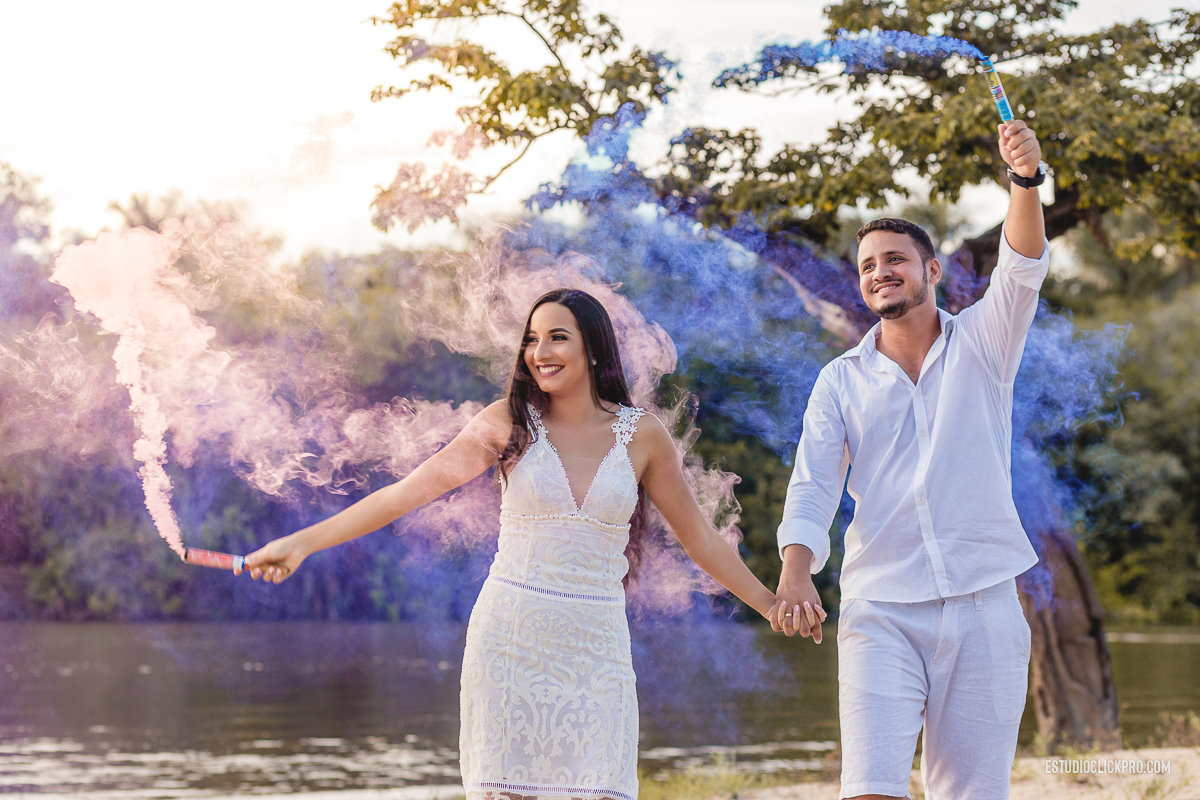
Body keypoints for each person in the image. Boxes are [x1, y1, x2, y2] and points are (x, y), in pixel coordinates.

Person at [237, 288, 780, 800]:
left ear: (594, 349)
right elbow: (403, 495)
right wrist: (302, 543)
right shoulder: (506, 422)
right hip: (511, 642)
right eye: (531, 339)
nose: (539, 352)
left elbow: (701, 540)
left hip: (597, 652)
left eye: (558, 337)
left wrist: (773, 605)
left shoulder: (644, 435)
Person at [771, 120, 1048, 800]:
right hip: (880, 609)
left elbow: (1021, 265)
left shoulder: (986, 343)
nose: (880, 273)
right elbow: (813, 485)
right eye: (868, 266)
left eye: (894, 259)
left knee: (973, 793)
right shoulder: (839, 380)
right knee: (869, 788)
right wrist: (796, 572)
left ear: (931, 271)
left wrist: (1024, 180)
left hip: (984, 605)